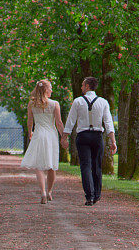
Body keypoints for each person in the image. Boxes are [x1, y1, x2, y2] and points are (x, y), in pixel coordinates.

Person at [61, 77, 116, 206]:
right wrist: (113, 140)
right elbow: (108, 123)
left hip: (83, 136)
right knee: (97, 166)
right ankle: (97, 194)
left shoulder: (78, 101)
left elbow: (70, 121)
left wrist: (64, 137)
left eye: (82, 85)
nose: (80, 87)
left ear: (87, 86)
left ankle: (89, 196)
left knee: (85, 166)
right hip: (97, 136)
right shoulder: (103, 102)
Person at [21, 79, 64, 204]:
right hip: (51, 135)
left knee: (39, 166)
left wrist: (30, 132)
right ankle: (49, 192)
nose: (51, 90)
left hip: (39, 134)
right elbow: (59, 123)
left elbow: (30, 121)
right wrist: (63, 136)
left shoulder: (32, 104)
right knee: (51, 166)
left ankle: (43, 192)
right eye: (50, 88)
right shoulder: (55, 104)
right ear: (46, 90)